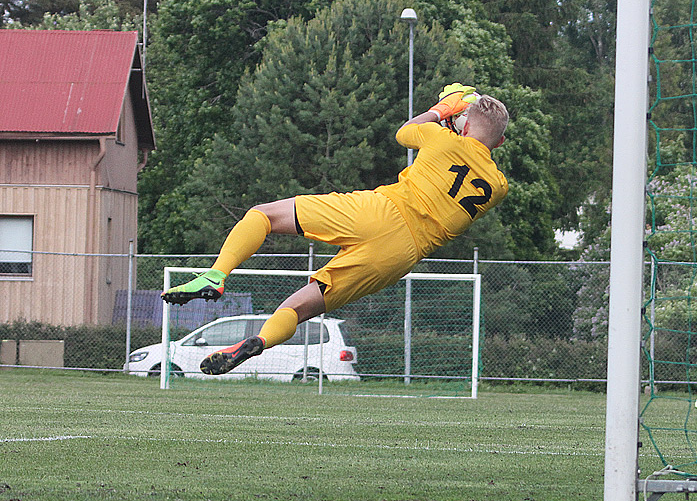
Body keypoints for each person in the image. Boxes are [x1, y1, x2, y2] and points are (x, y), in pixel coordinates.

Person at [161, 83, 509, 376]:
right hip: (401, 255)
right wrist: (459, 124)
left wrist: (441, 109)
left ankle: (217, 275)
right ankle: (260, 342)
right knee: (300, 308)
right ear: (500, 143)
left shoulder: (444, 139)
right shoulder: (497, 187)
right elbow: (470, 158)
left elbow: (405, 132)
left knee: (262, 216)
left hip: (380, 212)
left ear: (462, 126)